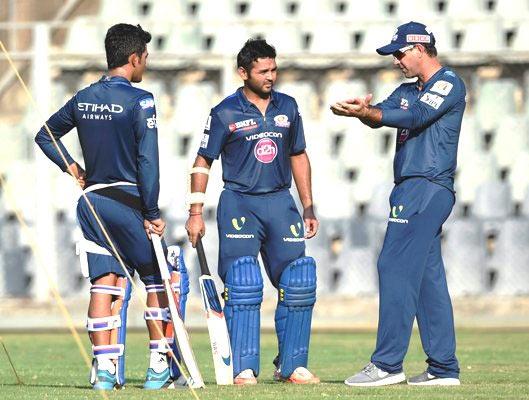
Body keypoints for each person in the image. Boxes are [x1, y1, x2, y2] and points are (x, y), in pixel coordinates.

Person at [35, 23, 184, 390]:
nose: (145, 63)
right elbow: (148, 163)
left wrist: (72, 167)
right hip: (127, 201)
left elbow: (44, 134)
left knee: (106, 285)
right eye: (145, 57)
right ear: (134, 58)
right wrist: (151, 213)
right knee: (162, 279)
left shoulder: (83, 97)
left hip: (91, 203)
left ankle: (103, 373)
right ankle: (157, 370)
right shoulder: (141, 100)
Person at [331, 21, 465, 387]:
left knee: (392, 265)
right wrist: (363, 109)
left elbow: (414, 117)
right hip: (409, 188)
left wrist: (369, 114)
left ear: (421, 48)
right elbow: (384, 115)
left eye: (400, 53)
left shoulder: (448, 83)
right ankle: (443, 367)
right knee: (426, 279)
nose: (396, 61)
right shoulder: (407, 90)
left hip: (427, 187)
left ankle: (388, 364)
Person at [185, 39, 320, 385]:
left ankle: (292, 365)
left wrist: (307, 204)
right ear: (243, 73)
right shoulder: (225, 112)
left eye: (274, 69)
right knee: (243, 281)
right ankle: (242, 366)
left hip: (280, 203)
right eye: (263, 71)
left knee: (299, 279)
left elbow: (298, 155)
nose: (271, 76)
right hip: (239, 204)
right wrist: (195, 211)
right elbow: (202, 162)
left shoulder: (288, 107)